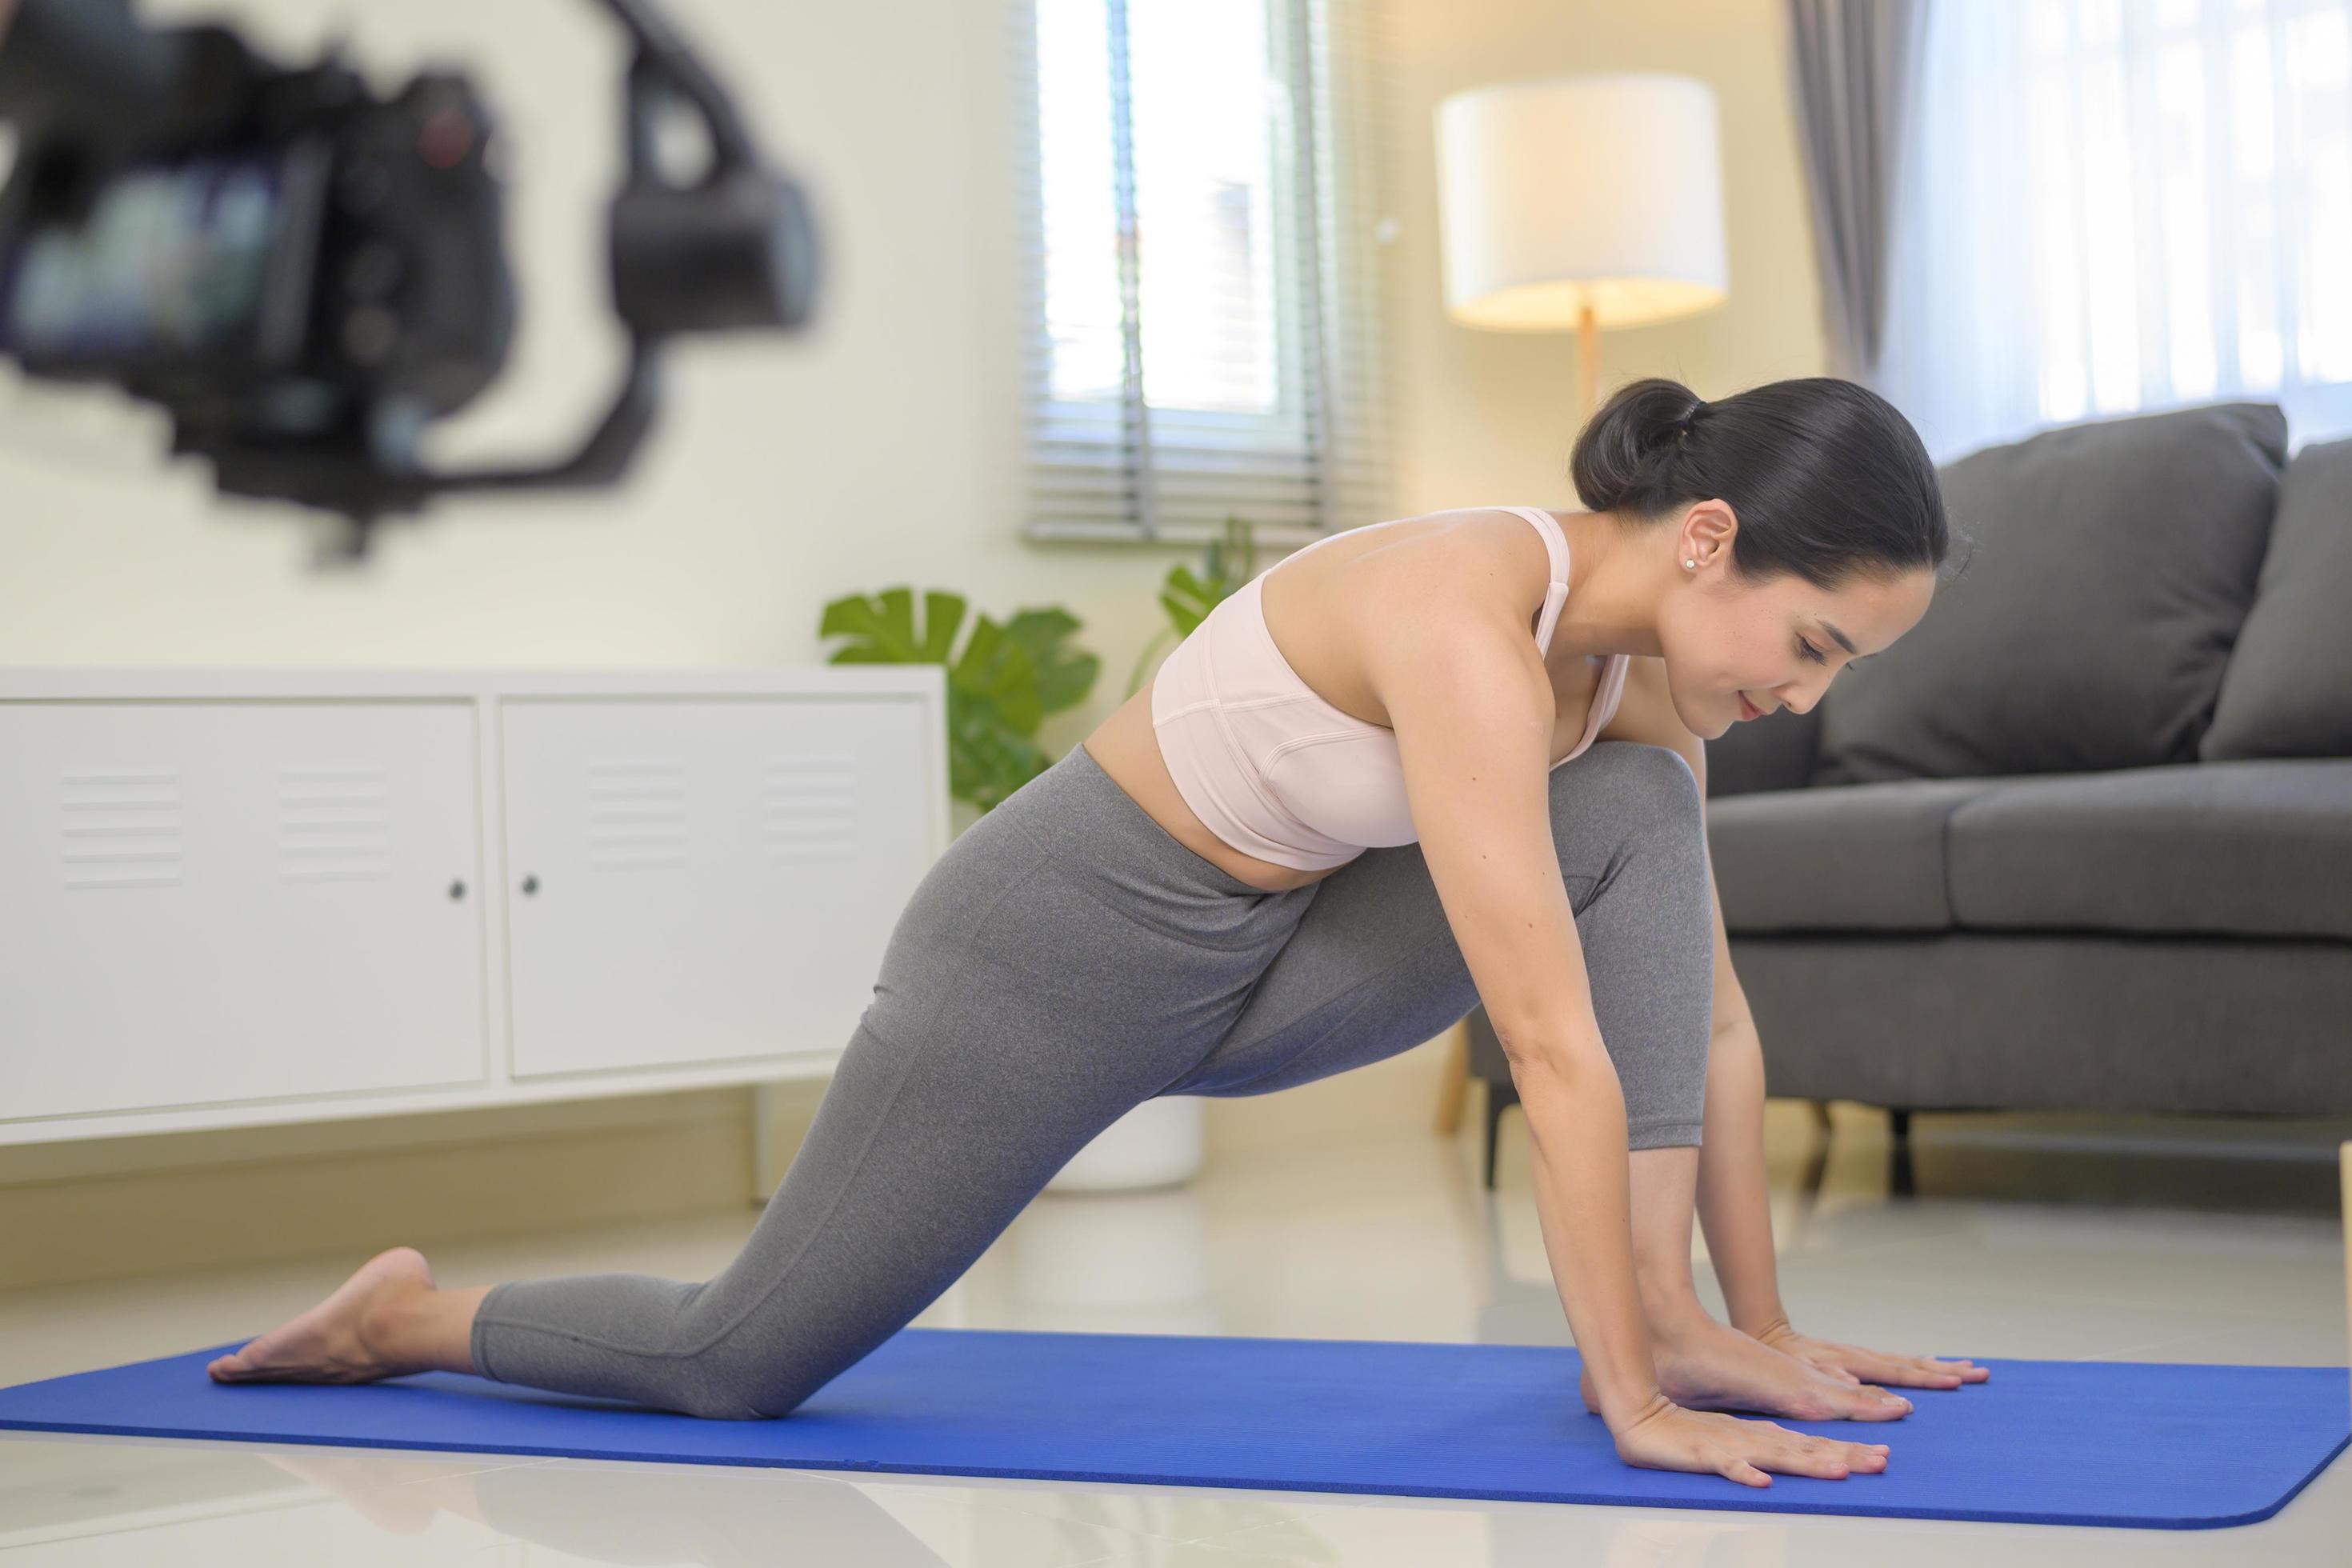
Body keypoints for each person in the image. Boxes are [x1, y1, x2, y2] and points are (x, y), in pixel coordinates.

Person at [208, 374, 1986, 1489]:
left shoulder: (1629, 695)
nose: (1801, 694)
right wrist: (1626, 1388)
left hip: (1261, 966)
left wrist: (1749, 1323)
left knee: (1640, 810)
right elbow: (1547, 1041)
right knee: (734, 1362)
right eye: (1813, 644)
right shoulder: (1464, 617)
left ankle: (1682, 1316)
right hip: (1046, 958)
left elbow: (1712, 1023)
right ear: (1707, 538)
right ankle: (411, 1317)